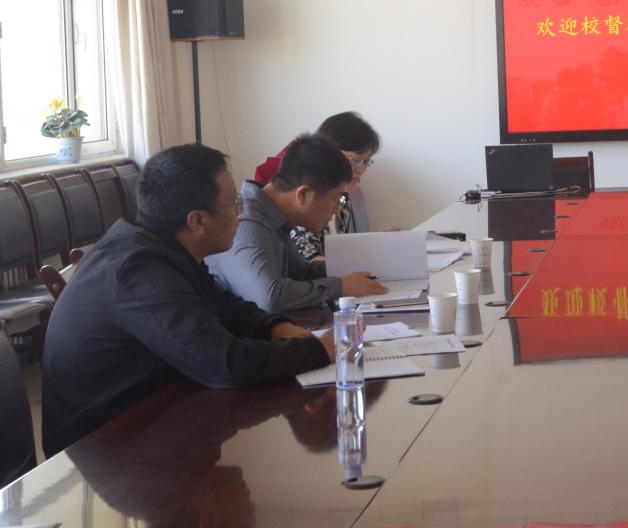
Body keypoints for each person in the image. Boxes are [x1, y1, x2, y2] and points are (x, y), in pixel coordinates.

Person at [41, 144, 335, 456]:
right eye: (234, 202)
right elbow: (225, 364)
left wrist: (274, 326)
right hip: (107, 447)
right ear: (197, 222)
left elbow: (223, 304)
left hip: (154, 413)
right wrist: (317, 350)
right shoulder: (138, 271)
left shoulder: (158, 247)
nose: (241, 213)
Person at [207, 134, 386, 313]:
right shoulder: (246, 221)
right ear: (303, 194)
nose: (337, 210)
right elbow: (269, 297)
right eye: (336, 199)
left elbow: (300, 274)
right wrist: (339, 286)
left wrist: (360, 265)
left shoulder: (276, 216)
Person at [254, 111, 386, 258]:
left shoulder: (345, 196)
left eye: (366, 161)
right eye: (355, 160)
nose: (360, 169)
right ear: (327, 153)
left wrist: (378, 244)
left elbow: (343, 249)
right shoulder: (306, 198)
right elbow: (307, 261)